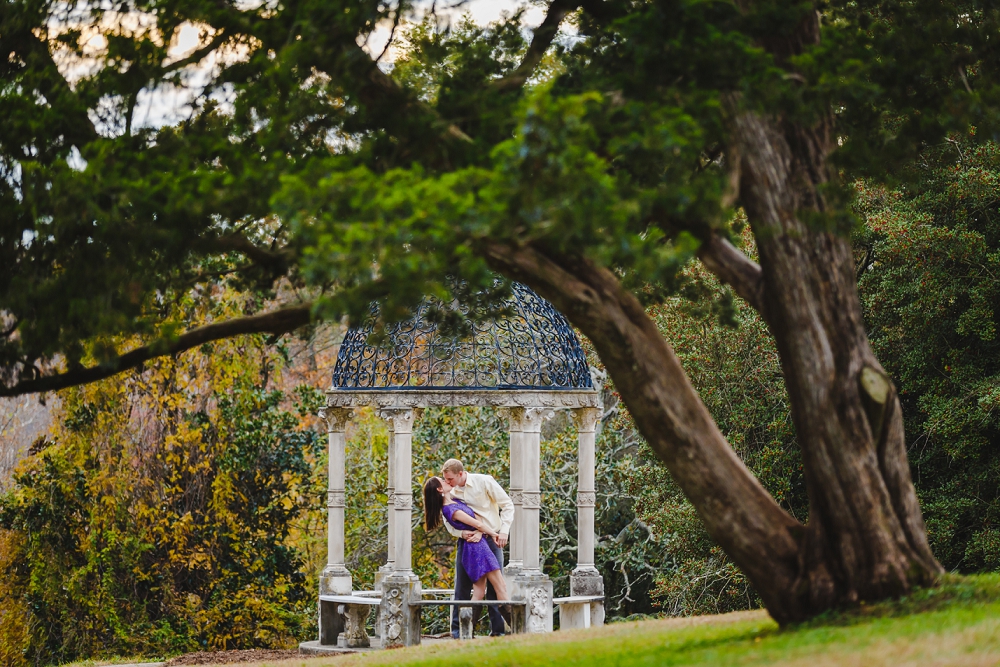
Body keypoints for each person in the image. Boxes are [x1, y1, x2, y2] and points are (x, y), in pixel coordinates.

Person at [436, 458, 514, 637]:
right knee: (462, 586)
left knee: (495, 588)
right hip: (469, 542)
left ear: (461, 474)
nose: (448, 483)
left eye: (450, 479)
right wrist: (461, 534)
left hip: (491, 538)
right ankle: (459, 631)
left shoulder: (484, 481)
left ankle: (498, 631)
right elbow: (449, 521)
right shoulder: (450, 493)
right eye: (445, 480)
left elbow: (507, 505)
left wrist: (503, 531)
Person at [423, 475, 511, 619]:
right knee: (500, 586)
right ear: (440, 489)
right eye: (443, 481)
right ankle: (516, 628)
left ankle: (468, 630)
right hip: (478, 549)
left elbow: (478, 519)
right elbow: (477, 523)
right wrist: (494, 534)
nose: (447, 481)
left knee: (479, 592)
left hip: (478, 545)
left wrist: (479, 531)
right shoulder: (450, 510)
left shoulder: (456, 501)